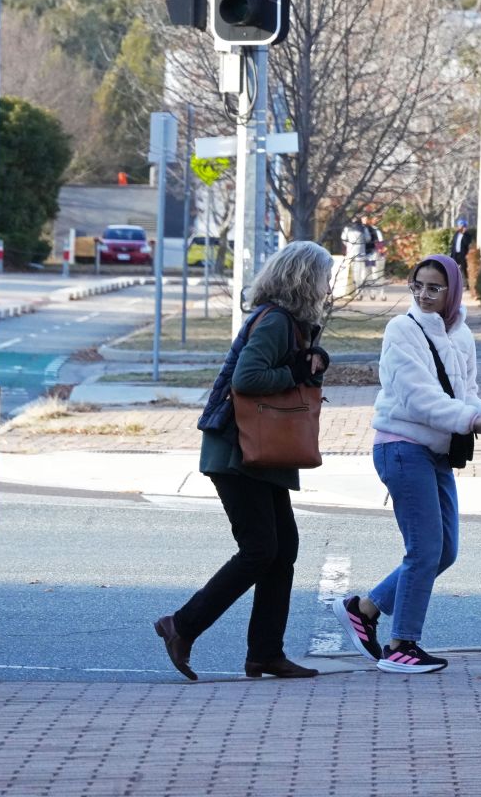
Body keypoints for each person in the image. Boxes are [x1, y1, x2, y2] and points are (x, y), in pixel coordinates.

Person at [154, 241, 333, 681]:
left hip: (260, 454)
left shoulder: (288, 323)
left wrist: (310, 360)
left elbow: (281, 368)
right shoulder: (275, 321)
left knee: (282, 550)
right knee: (260, 550)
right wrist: (296, 372)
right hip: (238, 451)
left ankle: (265, 654)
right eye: (324, 277)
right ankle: (182, 625)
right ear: (305, 280)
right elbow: (248, 378)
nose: (328, 286)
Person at [334, 254, 481, 674]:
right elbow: (418, 398)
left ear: (452, 291)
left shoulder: (461, 335)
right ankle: (401, 646)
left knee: (444, 551)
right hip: (402, 447)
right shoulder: (402, 330)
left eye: (434, 288)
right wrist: (471, 420)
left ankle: (364, 609)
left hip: (437, 452)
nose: (424, 295)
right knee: (424, 549)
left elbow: (465, 394)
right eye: (418, 286)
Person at [341, 215, 374, 301]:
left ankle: (352, 292)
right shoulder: (364, 228)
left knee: (352, 274)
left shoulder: (347, 228)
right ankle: (359, 292)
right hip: (361, 254)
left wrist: (349, 246)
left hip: (350, 254)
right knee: (361, 273)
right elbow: (368, 239)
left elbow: (343, 239)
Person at [448, 218, 472, 289]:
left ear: (464, 226)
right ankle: (455, 284)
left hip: (463, 254)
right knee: (454, 269)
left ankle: (466, 285)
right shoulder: (456, 234)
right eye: (459, 226)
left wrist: (464, 234)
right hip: (455, 254)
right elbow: (453, 244)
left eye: (461, 226)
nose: (459, 227)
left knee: (464, 269)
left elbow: (467, 243)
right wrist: (451, 254)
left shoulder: (467, 235)